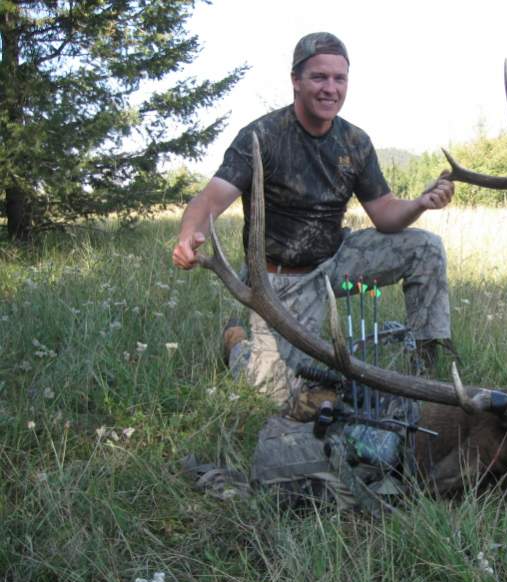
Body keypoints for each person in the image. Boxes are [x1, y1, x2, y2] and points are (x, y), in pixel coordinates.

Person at [172, 32, 455, 420]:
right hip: (282, 279)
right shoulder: (262, 136)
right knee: (273, 395)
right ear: (296, 80)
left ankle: (425, 367)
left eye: (340, 79)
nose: (331, 88)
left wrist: (420, 204)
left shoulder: (355, 142)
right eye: (320, 77)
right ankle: (237, 343)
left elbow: (385, 212)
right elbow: (210, 199)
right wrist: (190, 235)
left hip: (337, 261)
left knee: (426, 247)